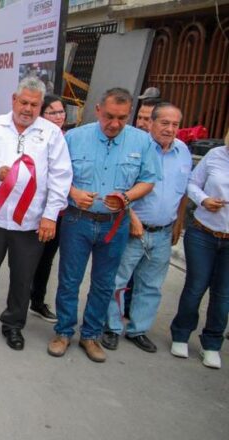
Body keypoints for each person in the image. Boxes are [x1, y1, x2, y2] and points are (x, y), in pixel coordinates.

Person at [48, 88, 159, 363]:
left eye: (122, 118)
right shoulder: (75, 137)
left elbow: (148, 180)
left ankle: (91, 335)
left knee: (104, 283)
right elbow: (56, 174)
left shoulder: (141, 141)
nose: (114, 124)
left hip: (115, 224)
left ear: (129, 114)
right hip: (77, 220)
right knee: (69, 280)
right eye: (109, 116)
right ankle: (63, 332)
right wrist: (73, 192)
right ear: (98, 110)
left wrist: (126, 197)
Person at [0, 78, 72, 350]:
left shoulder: (51, 134)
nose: (28, 109)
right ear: (14, 99)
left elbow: (61, 176)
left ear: (40, 106)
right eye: (23, 102)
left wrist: (50, 215)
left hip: (30, 222)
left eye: (34, 105)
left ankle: (13, 325)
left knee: (22, 278)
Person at [100, 102, 191, 354]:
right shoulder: (135, 147)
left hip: (163, 231)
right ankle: (112, 327)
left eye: (175, 124)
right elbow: (118, 185)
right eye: (164, 123)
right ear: (151, 122)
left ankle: (138, 329)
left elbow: (183, 191)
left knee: (151, 285)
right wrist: (132, 218)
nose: (170, 129)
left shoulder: (183, 151)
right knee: (118, 280)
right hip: (132, 228)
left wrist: (179, 222)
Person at [169, 128, 229, 369]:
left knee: (223, 294)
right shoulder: (215, 155)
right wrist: (204, 200)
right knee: (195, 286)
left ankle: (212, 343)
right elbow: (192, 184)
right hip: (203, 232)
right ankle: (181, 334)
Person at [27, 94, 68, 323]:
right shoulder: (36, 139)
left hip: (60, 213)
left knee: (47, 259)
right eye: (53, 112)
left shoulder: (68, 138)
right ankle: (20, 300)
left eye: (61, 112)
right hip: (35, 210)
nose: (59, 116)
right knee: (27, 258)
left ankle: (37, 300)